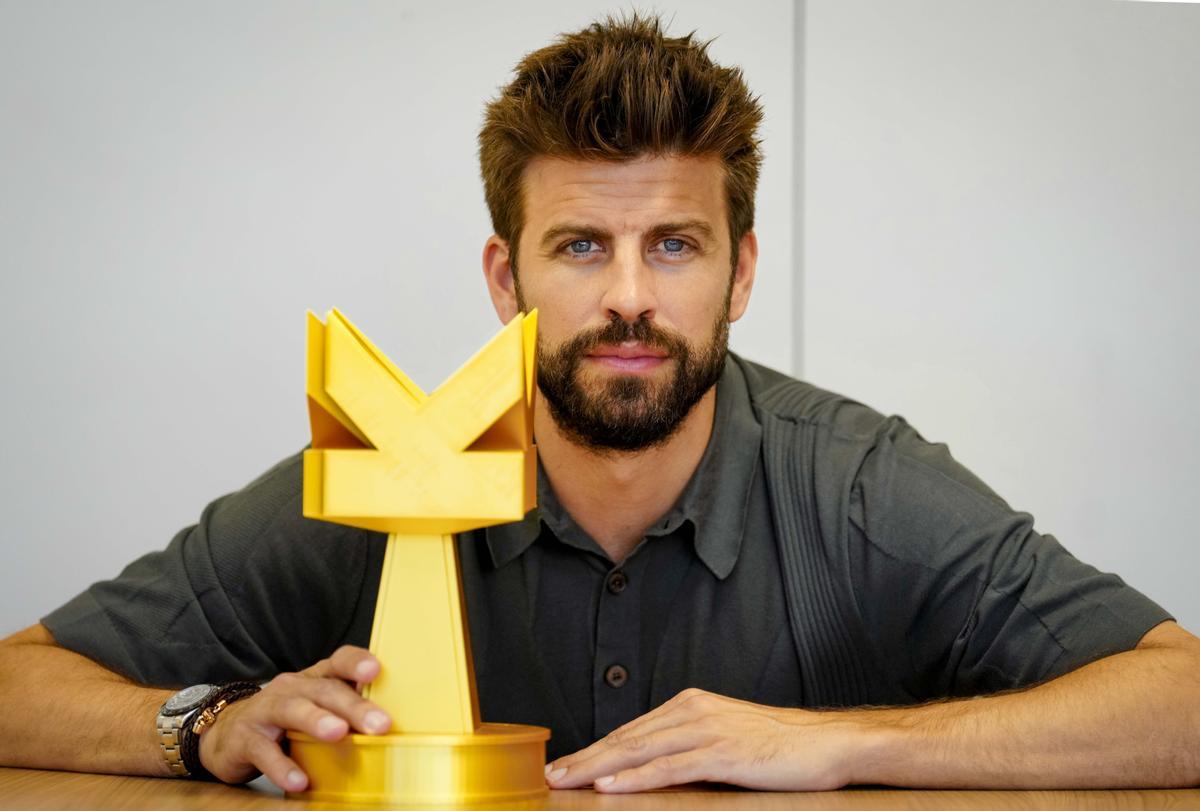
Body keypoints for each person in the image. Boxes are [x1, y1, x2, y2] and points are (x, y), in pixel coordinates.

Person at [1, 14, 1198, 796]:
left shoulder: (858, 488)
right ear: (504, 275)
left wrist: (845, 743)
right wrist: (199, 723)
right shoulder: (383, 475)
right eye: (580, 245)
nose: (630, 297)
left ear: (741, 271)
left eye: (674, 244)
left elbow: (1181, 696)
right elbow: (21, 680)